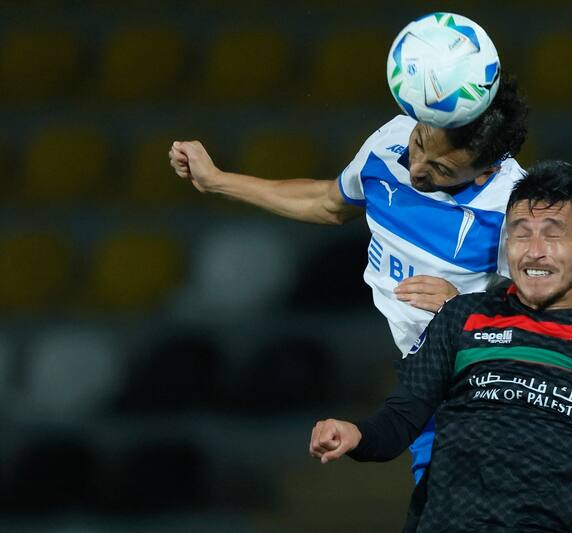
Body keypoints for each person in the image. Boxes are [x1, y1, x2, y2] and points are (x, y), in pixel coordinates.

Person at [169, 73, 528, 482]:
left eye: (441, 169)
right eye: (419, 143)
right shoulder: (390, 141)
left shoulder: (515, 206)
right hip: (428, 383)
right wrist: (217, 181)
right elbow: (328, 203)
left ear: (486, 170)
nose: (415, 169)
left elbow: (558, 316)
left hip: (492, 387)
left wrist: (466, 310)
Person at [309, 160, 572, 532]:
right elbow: (402, 416)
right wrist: (358, 435)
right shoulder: (461, 316)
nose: (535, 251)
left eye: (552, 235)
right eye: (521, 234)